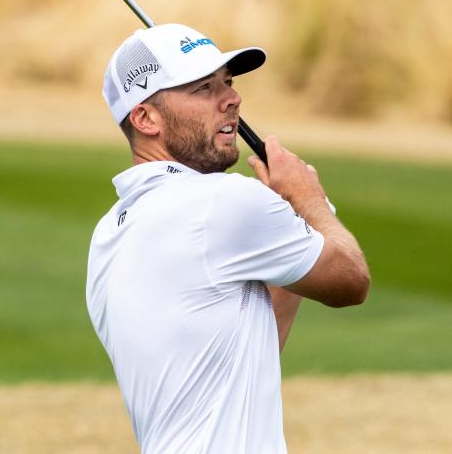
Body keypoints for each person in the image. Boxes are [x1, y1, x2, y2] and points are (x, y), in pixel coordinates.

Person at [86, 23, 370, 453]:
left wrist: (289, 219)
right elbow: (350, 280)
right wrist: (311, 202)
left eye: (228, 83)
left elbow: (247, 353)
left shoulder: (110, 232)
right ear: (145, 118)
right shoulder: (221, 202)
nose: (232, 99)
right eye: (203, 89)